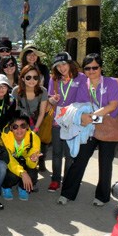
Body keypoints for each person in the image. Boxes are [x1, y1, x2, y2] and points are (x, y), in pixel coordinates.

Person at [58, 53, 118, 206]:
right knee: (79, 160)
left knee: (105, 163)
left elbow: (112, 105)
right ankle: (67, 193)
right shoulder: (83, 84)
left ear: (101, 68)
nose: (91, 71)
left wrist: (92, 116)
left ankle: (102, 197)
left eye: (95, 67)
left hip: (108, 126)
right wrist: (84, 117)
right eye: (88, 68)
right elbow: (80, 104)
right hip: (90, 128)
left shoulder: (110, 83)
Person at [46, 52, 88, 192]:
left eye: (64, 64)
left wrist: (69, 111)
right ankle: (55, 180)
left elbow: (82, 99)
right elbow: (50, 98)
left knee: (70, 154)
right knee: (56, 152)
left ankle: (68, 180)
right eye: (58, 66)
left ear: (70, 63)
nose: (61, 68)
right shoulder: (54, 79)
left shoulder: (81, 78)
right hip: (57, 121)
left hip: (72, 121)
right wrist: (52, 100)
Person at [12, 64, 48, 171]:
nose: (32, 80)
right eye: (28, 77)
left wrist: (35, 129)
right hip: (20, 124)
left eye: (35, 77)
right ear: (22, 78)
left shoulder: (42, 91)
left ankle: (32, 171)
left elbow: (42, 113)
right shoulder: (16, 91)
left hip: (35, 123)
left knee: (33, 149)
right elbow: (14, 111)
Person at [0, 113, 41, 201]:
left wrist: (32, 160)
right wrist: (22, 173)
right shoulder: (4, 137)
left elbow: (32, 165)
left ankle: (23, 188)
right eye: (15, 126)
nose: (19, 130)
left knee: (33, 175)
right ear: (10, 128)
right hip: (10, 163)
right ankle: (6, 186)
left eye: (23, 126)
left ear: (27, 127)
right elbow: (9, 160)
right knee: (12, 175)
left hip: (24, 161)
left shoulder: (34, 138)